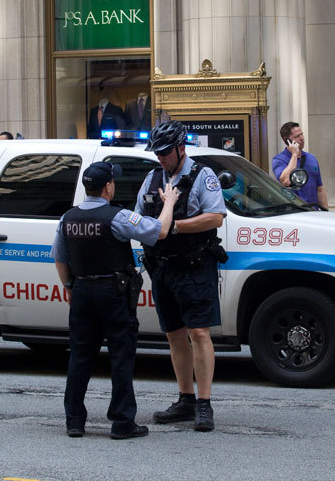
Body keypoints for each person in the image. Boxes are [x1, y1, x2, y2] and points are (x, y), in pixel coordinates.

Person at [52, 161, 180, 439]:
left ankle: (74, 420)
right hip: (113, 293)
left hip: (83, 292)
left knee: (80, 357)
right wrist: (168, 202)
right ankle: (122, 422)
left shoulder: (68, 218)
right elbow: (159, 231)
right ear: (108, 187)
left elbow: (60, 258)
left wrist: (70, 285)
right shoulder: (117, 216)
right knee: (121, 356)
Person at [135, 120, 227, 432]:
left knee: (199, 333)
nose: (159, 157)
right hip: (163, 267)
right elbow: (140, 217)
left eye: (164, 152)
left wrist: (175, 225)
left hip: (195, 267)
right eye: (156, 152)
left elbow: (216, 217)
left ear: (180, 148)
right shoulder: (151, 178)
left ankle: (204, 403)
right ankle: (185, 399)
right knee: (174, 334)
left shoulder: (204, 176)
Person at [271, 121, 328, 209]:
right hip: (294, 213)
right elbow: (286, 181)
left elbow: (319, 189)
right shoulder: (279, 160)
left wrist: (326, 211)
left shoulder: (311, 158)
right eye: (297, 136)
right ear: (286, 140)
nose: (302, 138)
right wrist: (294, 155)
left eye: (302, 134)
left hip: (313, 211)